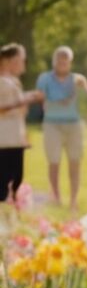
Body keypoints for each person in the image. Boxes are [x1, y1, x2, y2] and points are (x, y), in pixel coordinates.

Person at [35, 45, 87, 210]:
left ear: (70, 62)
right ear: (54, 61)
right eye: (59, 59)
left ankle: (73, 200)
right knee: (53, 162)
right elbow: (39, 97)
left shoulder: (77, 79)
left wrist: (84, 86)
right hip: (52, 124)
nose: (62, 62)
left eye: (65, 60)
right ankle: (56, 197)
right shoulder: (45, 78)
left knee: (74, 162)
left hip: (73, 125)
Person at [0, 43, 44, 208]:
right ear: (8, 61)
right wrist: (27, 100)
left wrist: (28, 97)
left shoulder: (12, 82)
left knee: (16, 179)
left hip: (15, 139)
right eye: (20, 60)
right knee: (5, 180)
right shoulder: (2, 81)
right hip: (4, 141)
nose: (23, 65)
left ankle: (9, 217)